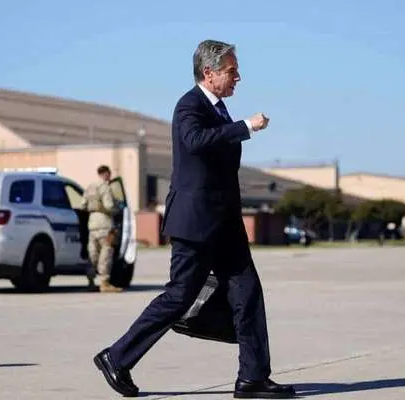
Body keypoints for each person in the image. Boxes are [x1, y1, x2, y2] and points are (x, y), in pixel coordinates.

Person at [93, 40, 296, 398]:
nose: (238, 77)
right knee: (179, 296)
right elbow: (196, 141)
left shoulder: (218, 110)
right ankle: (117, 357)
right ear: (209, 73)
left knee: (248, 293)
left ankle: (252, 378)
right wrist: (245, 127)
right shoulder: (189, 105)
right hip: (196, 224)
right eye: (231, 71)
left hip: (225, 225)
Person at [81, 165, 123, 293]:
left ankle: (90, 281)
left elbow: (83, 205)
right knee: (106, 253)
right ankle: (104, 283)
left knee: (92, 254)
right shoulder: (105, 187)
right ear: (107, 174)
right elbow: (109, 206)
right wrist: (118, 209)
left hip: (92, 224)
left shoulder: (90, 187)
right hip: (105, 224)